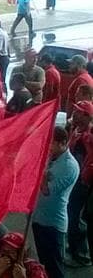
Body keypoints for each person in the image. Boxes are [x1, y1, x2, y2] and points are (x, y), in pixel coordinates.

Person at [33, 126, 79, 278]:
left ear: (63, 143)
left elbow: (47, 191)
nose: (48, 146)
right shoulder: (51, 157)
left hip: (53, 224)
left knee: (55, 268)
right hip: (39, 218)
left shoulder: (69, 166)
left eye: (51, 143)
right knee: (43, 263)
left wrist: (43, 175)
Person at [67, 101, 93, 266]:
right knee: (72, 214)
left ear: (86, 115)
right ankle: (74, 245)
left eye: (78, 111)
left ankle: (82, 254)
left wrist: (86, 178)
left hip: (83, 183)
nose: (74, 113)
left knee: (78, 217)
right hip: (75, 180)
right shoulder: (77, 130)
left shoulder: (90, 135)